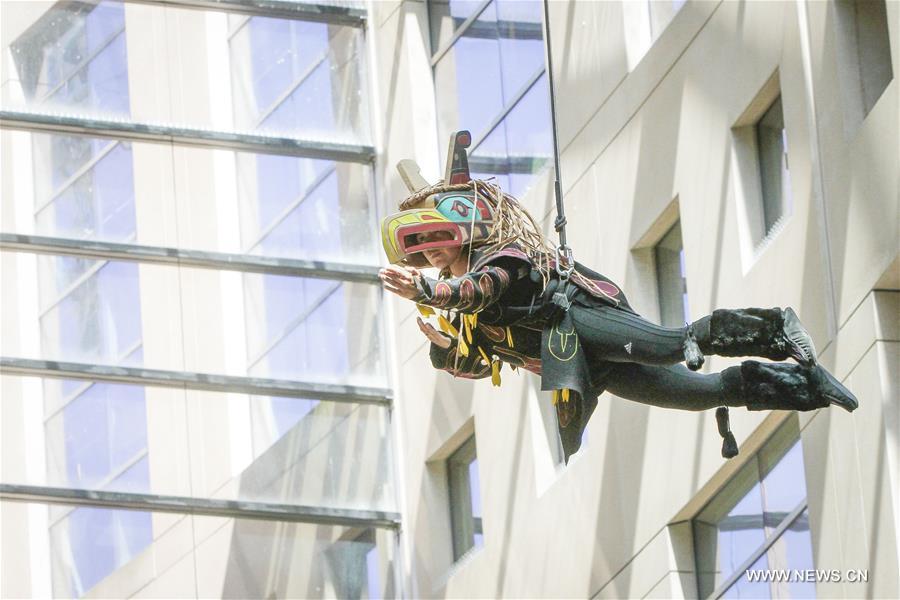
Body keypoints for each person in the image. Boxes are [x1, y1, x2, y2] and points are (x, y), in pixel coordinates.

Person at [379, 131, 858, 462]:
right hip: (584, 365)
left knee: (674, 344)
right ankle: (808, 388)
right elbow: (482, 365)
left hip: (577, 319)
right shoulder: (471, 321)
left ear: (461, 229)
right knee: (701, 394)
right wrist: (444, 351)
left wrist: (428, 290)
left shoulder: (506, 258)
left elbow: (478, 290)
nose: (432, 257)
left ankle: (776, 327)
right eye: (423, 255)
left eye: (435, 241)